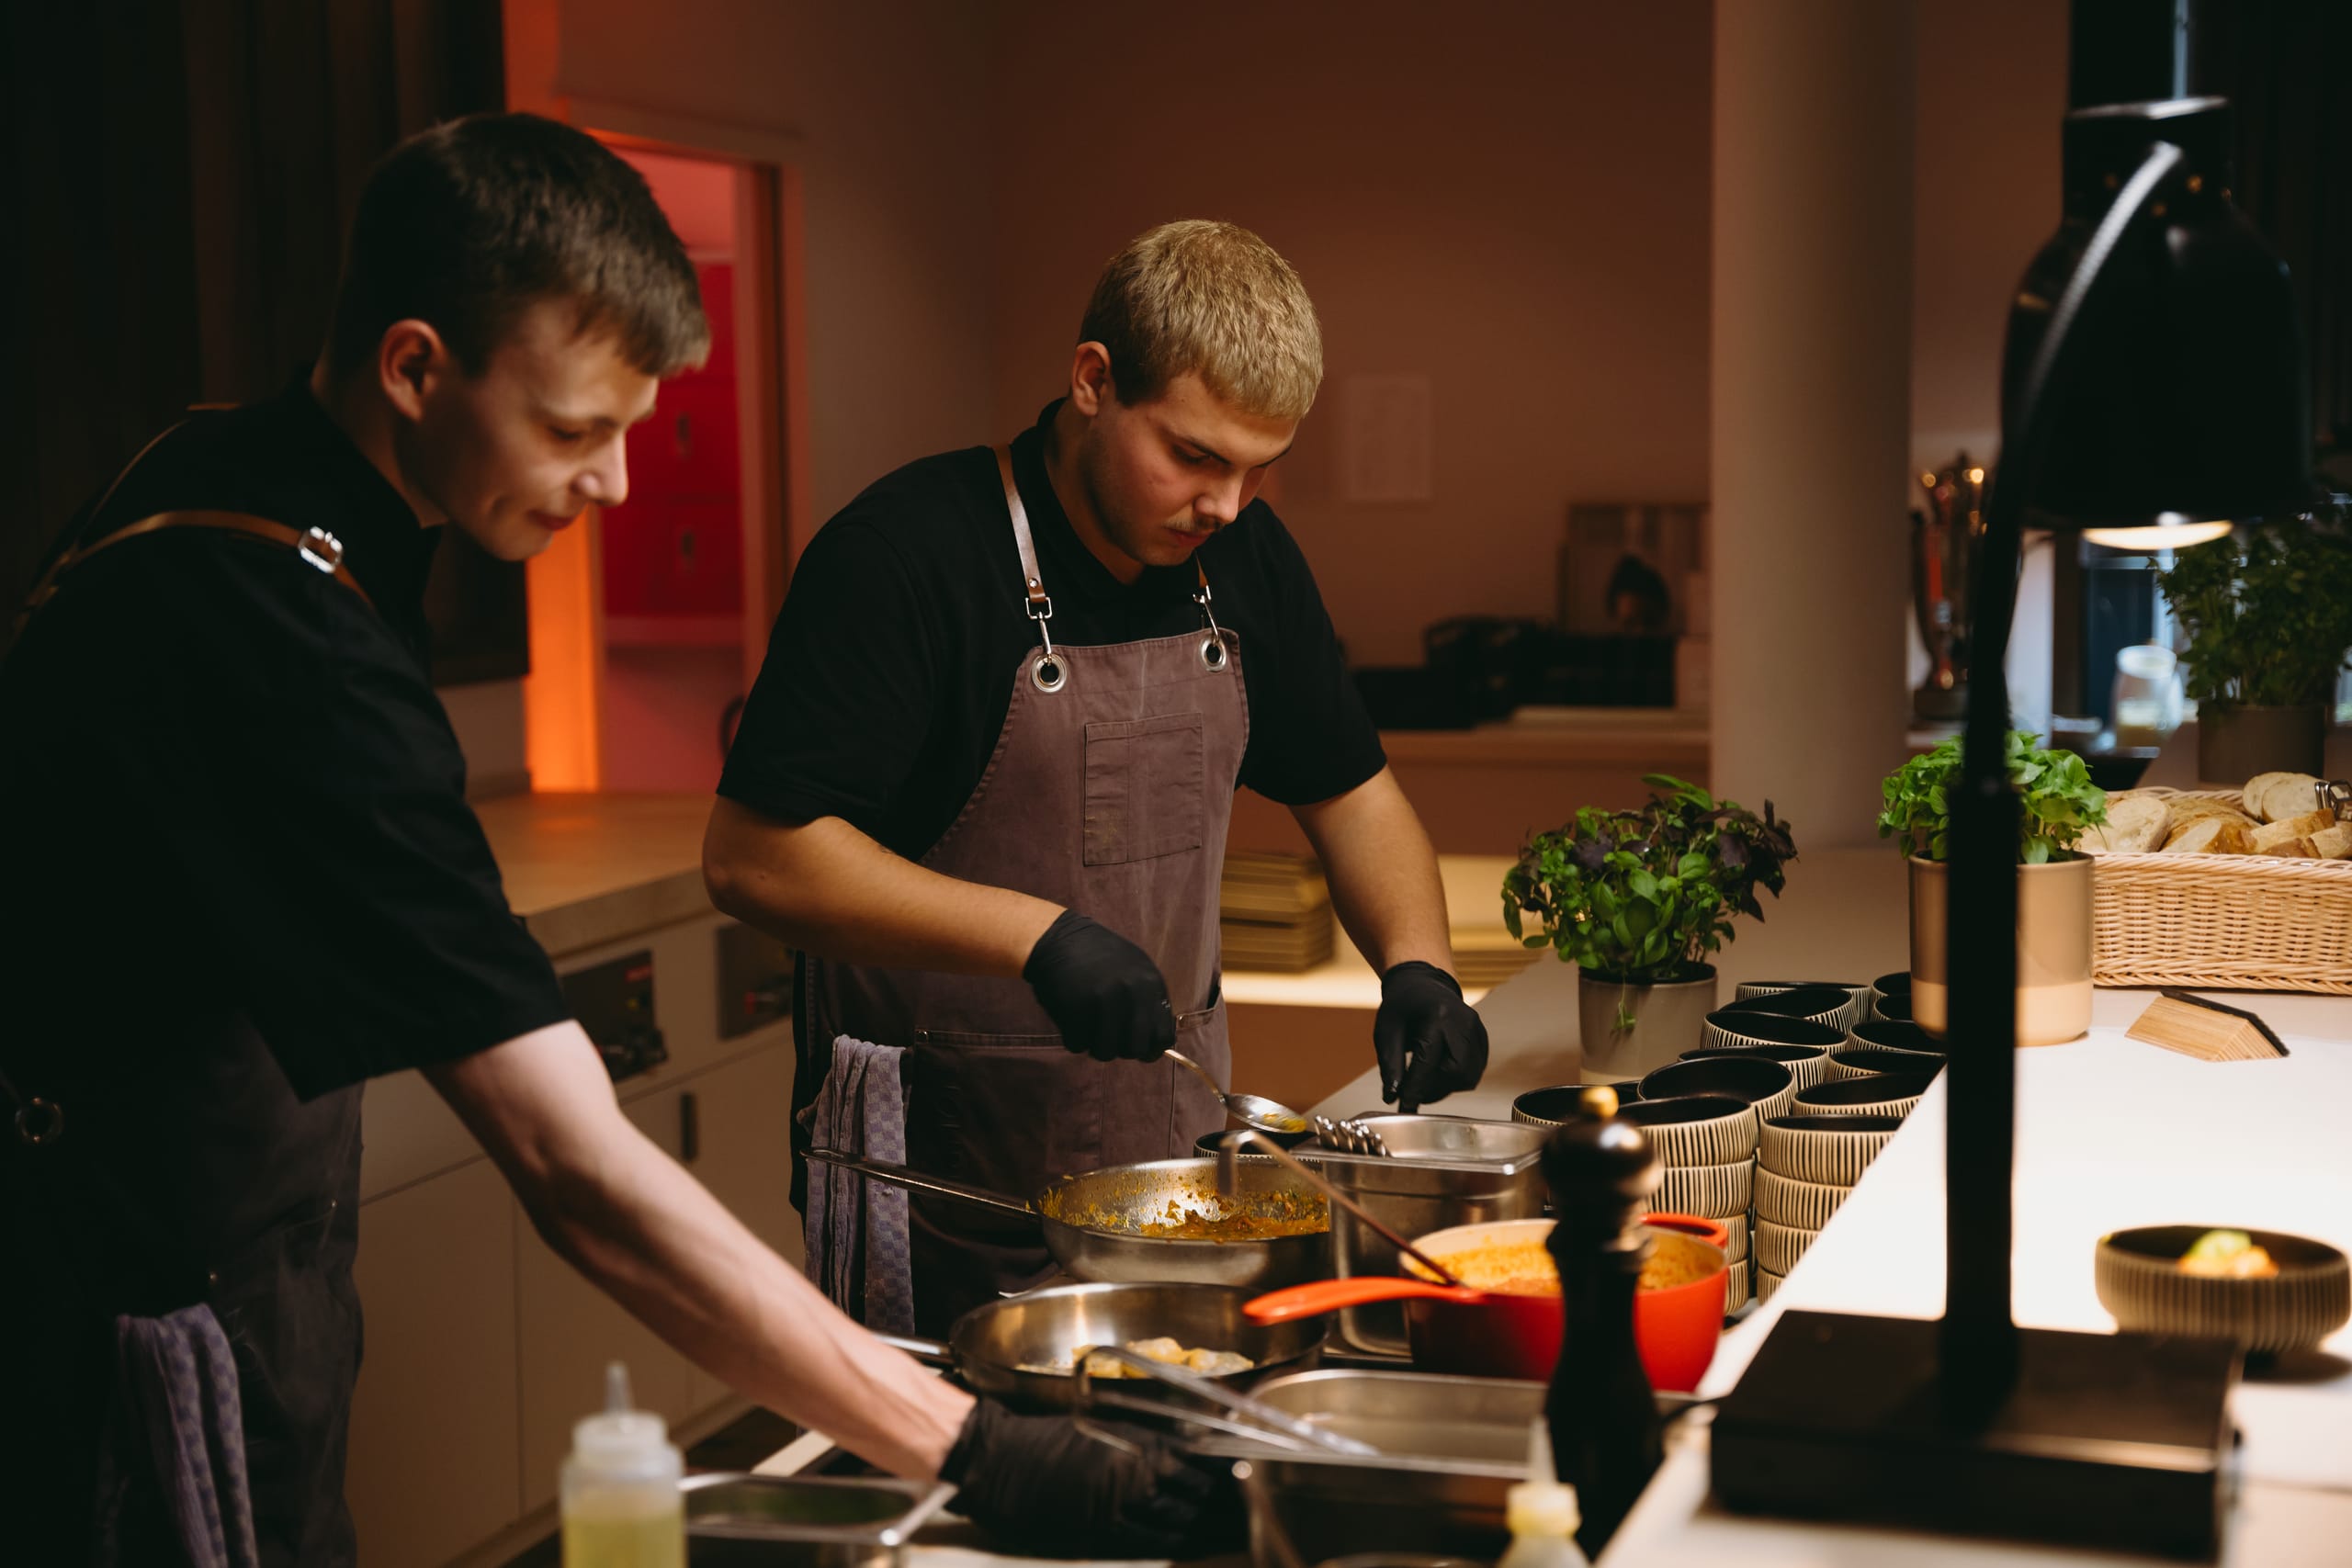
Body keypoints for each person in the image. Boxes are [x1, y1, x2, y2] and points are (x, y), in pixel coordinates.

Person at [0, 114, 1225, 1568]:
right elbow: (578, 1172)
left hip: (205, 1261)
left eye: (631, 428)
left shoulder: (219, 467)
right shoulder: (287, 640)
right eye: (575, 429)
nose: (618, 485)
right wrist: (970, 1446)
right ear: (412, 366)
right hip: (118, 1325)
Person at [705, 220, 1490, 1337]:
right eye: (1194, 457)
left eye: (1259, 469)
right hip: (940, 1172)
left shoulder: (1243, 560)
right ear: (1092, 382)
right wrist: (1040, 937)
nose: (1224, 504)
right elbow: (753, 858)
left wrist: (1419, 967)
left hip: (1167, 1166)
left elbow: (1352, 790)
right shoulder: (906, 557)